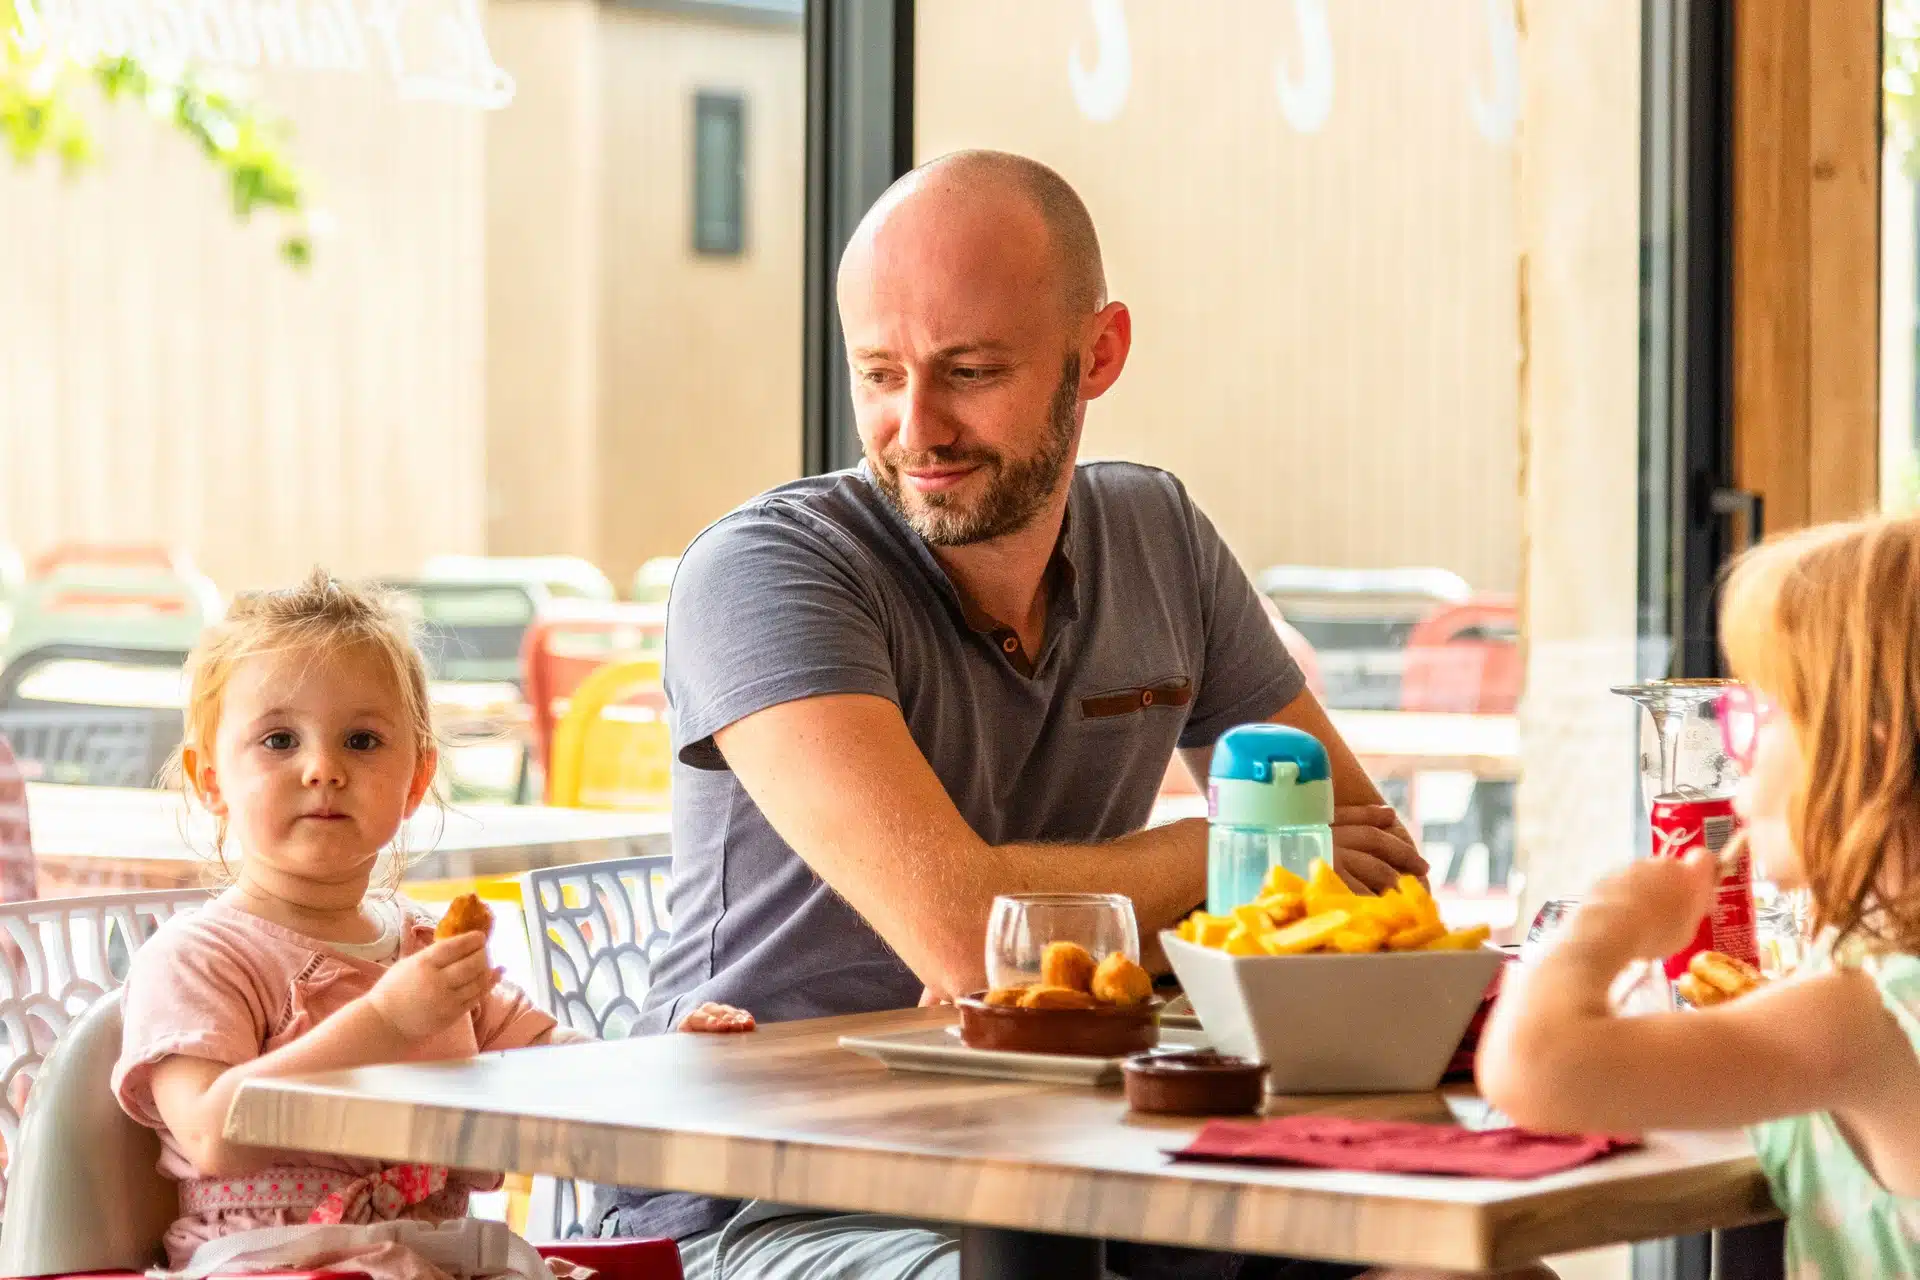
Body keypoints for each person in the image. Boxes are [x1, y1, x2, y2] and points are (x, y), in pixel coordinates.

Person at [596, 150, 1432, 1279]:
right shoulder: (768, 573)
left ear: (1099, 356)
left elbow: (1372, 877)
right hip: (768, 1193)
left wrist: (1235, 886)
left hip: (1098, 1159)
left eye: (970, 370)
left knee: (1466, 1261)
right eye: (879, 373)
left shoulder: (1161, 538)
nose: (915, 427)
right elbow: (964, 934)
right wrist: (1223, 852)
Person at [110, 571, 749, 1280]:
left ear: (416, 779)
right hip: (270, 1261)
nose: (323, 768)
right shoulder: (198, 955)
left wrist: (665, 1062)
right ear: (209, 781)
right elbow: (211, 1134)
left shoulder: (427, 950)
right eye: (280, 740)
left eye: (361, 740)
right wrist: (388, 1020)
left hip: (424, 1255)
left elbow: (563, 1071)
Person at [1479, 514, 1920, 1278]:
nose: (1738, 749)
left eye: (1768, 714)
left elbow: (1537, 1067)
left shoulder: (1868, 1017)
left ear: (1867, 762)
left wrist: (1609, 924)